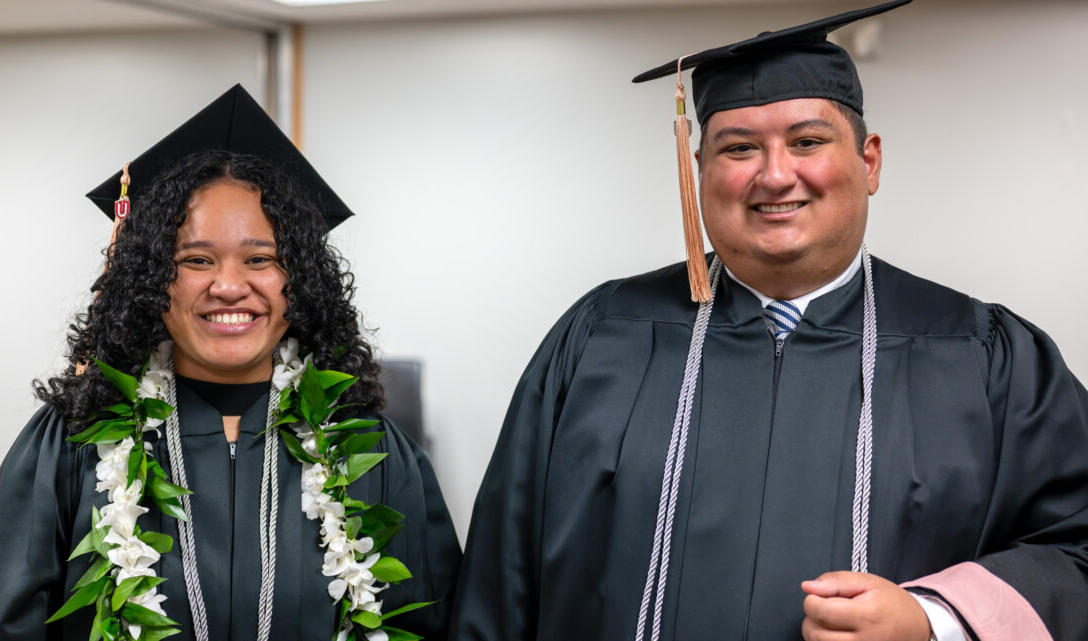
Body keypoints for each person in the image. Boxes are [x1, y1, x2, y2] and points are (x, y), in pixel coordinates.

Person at [449, 2, 1088, 640]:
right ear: (698, 170)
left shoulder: (985, 356)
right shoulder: (598, 337)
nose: (776, 175)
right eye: (739, 148)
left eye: (807, 142)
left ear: (869, 161)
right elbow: (500, 577)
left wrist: (934, 618)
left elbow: (1076, 549)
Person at [0, 85, 461, 641]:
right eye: (196, 259)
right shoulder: (72, 446)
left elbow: (430, 622)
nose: (228, 286)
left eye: (260, 259)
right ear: (151, 280)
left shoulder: (371, 452)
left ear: (301, 282)